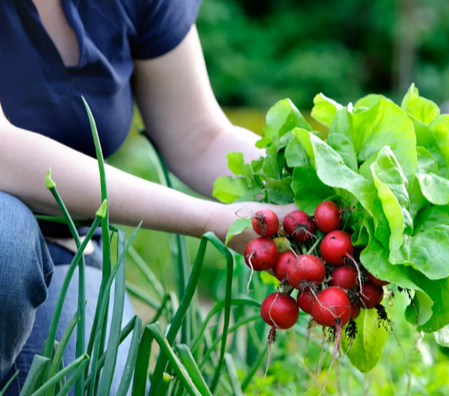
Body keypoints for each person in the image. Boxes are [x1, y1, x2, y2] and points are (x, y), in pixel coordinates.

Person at [0, 0, 294, 393]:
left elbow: (198, 136)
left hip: (67, 251)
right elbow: (5, 153)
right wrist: (208, 219)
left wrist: (317, 177)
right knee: (8, 239)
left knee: (87, 383)